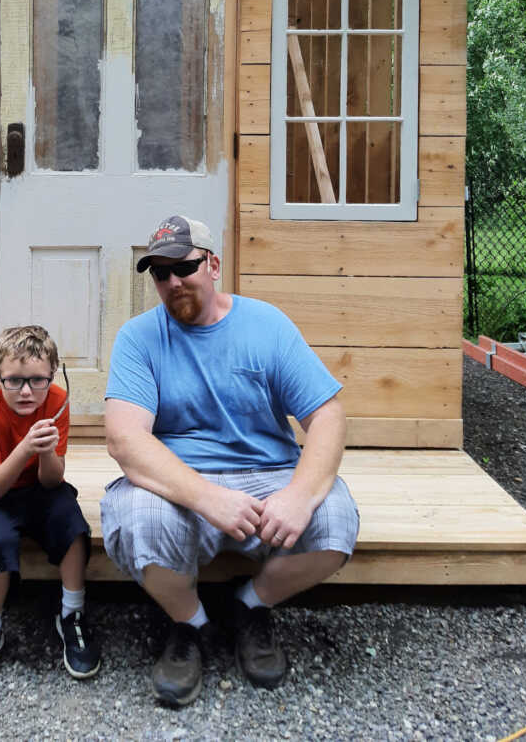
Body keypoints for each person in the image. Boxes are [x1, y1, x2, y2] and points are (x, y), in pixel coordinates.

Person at [101, 215, 358, 706]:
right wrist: (207, 497)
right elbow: (125, 440)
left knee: (336, 520)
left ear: (213, 264)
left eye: (185, 267)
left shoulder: (267, 325)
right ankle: (189, 623)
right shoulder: (138, 338)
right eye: (160, 273)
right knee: (138, 517)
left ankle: (250, 607)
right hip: (182, 481)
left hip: (270, 475)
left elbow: (327, 416)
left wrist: (300, 495)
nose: (172, 282)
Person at [0, 325, 101, 687]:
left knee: (74, 526)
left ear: (53, 373)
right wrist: (26, 448)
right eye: (14, 381)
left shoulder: (57, 401)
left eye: (37, 380)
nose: (27, 391)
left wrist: (46, 451)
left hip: (39, 487)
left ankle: (72, 615)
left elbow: (53, 481)